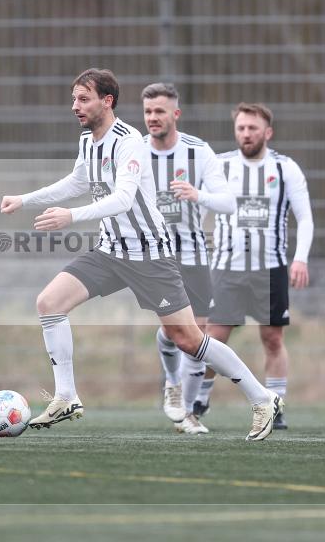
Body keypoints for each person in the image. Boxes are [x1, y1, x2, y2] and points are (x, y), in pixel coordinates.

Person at [0, 68, 282, 442]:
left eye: (83, 99)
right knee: (49, 302)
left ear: (107, 101)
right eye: (73, 99)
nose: (75, 106)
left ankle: (263, 399)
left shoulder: (129, 141)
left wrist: (73, 216)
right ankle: (66, 396)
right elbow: (78, 182)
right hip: (109, 251)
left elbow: (123, 198)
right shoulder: (89, 140)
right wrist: (25, 199)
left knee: (188, 339)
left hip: (148, 254)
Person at [200, 102, 314, 430]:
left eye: (252, 128)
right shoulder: (219, 166)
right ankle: (200, 399)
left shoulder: (285, 168)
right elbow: (197, 208)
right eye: (241, 128)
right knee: (212, 338)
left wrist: (300, 258)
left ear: (268, 132)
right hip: (227, 268)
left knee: (272, 338)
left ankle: (274, 405)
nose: (246, 134)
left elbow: (304, 217)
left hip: (270, 268)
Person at [140, 83, 233, 434]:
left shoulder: (199, 151)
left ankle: (189, 413)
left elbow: (228, 202)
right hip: (154, 257)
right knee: (172, 331)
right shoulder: (135, 152)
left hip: (193, 254)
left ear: (175, 114)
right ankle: (171, 382)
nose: (152, 118)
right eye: (148, 111)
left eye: (159, 111)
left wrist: (199, 194)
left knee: (197, 335)